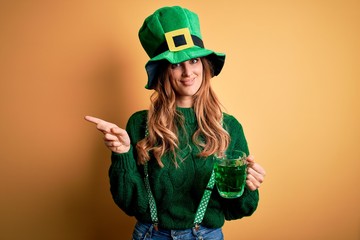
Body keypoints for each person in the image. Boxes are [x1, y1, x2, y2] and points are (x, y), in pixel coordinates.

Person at [85, 6, 266, 240]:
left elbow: (237, 210)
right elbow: (131, 205)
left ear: (204, 65)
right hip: (152, 235)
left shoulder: (228, 127)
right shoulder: (140, 124)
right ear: (162, 71)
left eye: (193, 61)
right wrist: (122, 153)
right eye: (175, 64)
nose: (187, 72)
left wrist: (247, 188)